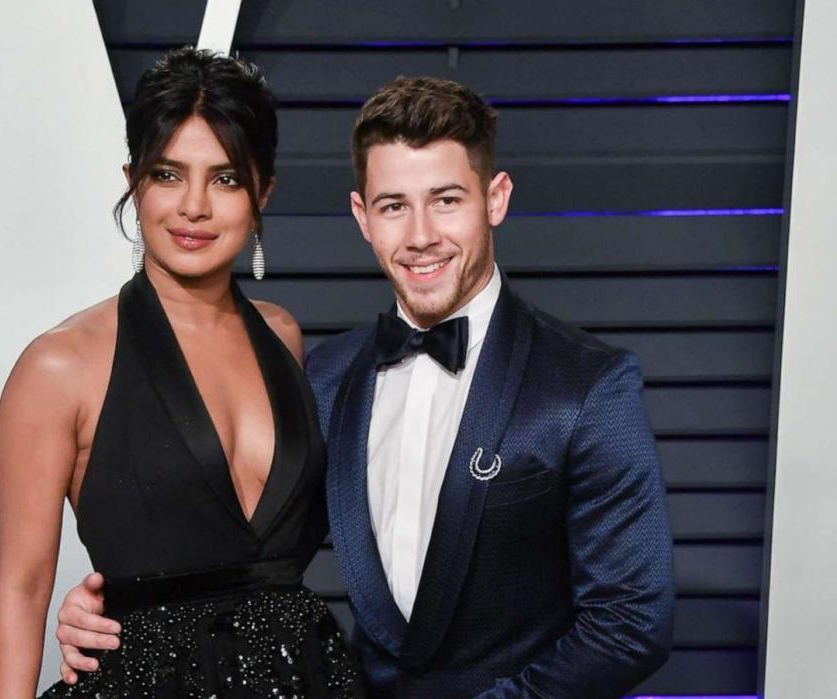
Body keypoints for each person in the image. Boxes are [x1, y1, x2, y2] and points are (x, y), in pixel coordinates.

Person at [54, 76, 675, 698]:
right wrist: (121, 608)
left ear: (496, 198)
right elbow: (249, 556)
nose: (421, 234)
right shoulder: (326, 378)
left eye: (447, 200)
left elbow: (630, 626)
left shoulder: (588, 386)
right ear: (362, 217)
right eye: (394, 206)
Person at [0, 47, 364, 698]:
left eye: (224, 178)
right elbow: (20, 592)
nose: (193, 206)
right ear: (133, 180)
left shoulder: (282, 336)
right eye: (168, 174)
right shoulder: (58, 368)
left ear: (262, 191)